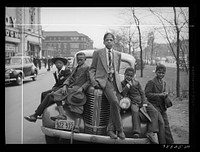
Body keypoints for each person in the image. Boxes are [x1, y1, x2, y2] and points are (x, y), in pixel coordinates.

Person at [89, 33, 125, 140]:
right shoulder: (98, 53)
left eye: (111, 40)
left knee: (115, 105)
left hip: (116, 82)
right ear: (103, 42)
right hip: (104, 81)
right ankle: (120, 129)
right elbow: (92, 69)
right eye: (107, 40)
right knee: (114, 102)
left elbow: (117, 70)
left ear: (114, 41)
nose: (109, 42)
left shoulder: (118, 54)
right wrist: (94, 82)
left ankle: (110, 129)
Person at [121, 67, 166, 144]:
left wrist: (144, 103)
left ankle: (151, 132)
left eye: (131, 76)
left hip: (142, 101)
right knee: (135, 111)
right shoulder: (122, 83)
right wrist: (127, 87)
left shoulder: (136, 82)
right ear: (124, 75)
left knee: (154, 111)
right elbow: (123, 94)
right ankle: (136, 131)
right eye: (127, 75)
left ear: (133, 76)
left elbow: (142, 93)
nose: (129, 77)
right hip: (133, 102)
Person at [49, 52, 90, 133]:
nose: (79, 61)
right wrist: (65, 85)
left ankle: (77, 126)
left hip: (78, 90)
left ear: (85, 60)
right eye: (78, 59)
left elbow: (89, 81)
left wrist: (82, 88)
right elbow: (69, 78)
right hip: (70, 88)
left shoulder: (88, 68)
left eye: (81, 59)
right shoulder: (75, 68)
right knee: (56, 94)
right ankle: (62, 114)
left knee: (77, 105)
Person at [24, 56, 71, 121]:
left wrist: (54, 90)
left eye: (60, 63)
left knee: (49, 96)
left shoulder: (67, 71)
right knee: (43, 94)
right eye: (56, 63)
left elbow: (65, 83)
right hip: (58, 88)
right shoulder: (57, 71)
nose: (58, 64)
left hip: (64, 90)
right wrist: (53, 88)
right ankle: (42, 113)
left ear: (63, 64)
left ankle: (35, 115)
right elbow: (57, 83)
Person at [145, 64, 174, 144]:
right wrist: (159, 95)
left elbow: (162, 93)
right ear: (156, 72)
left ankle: (170, 143)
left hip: (161, 107)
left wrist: (165, 94)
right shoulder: (151, 82)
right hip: (153, 106)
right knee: (161, 124)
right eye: (159, 72)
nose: (161, 74)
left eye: (163, 73)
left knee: (166, 125)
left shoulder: (163, 82)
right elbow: (147, 94)